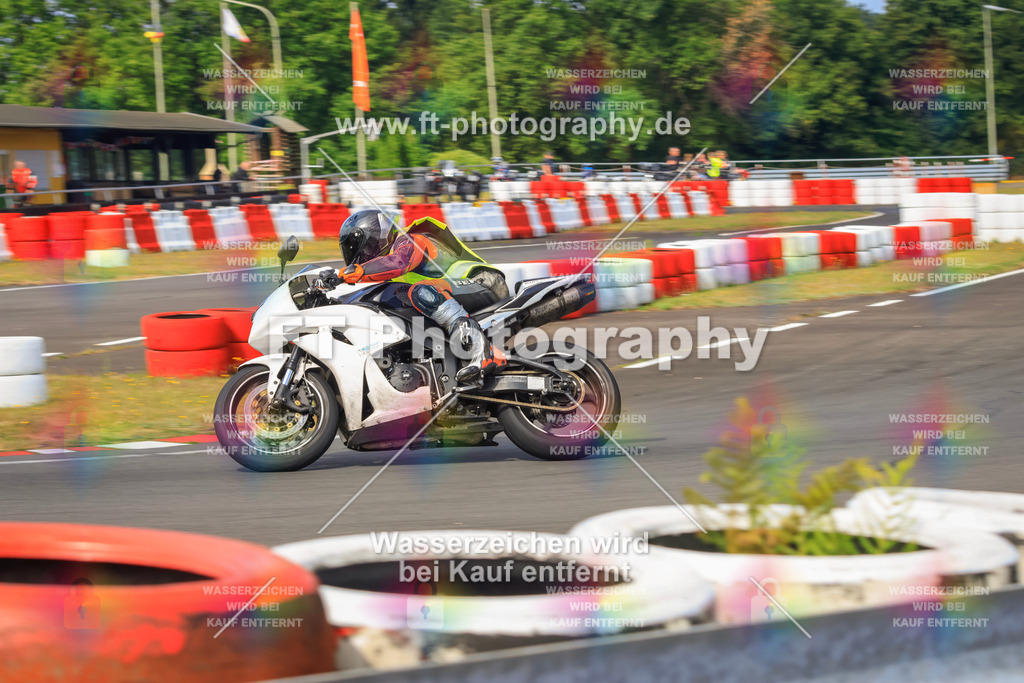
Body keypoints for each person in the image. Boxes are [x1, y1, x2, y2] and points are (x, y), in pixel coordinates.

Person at [323, 210, 509, 386]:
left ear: (372, 239)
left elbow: (399, 262)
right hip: (456, 296)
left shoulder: (409, 241)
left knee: (422, 292)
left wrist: (349, 273)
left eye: (355, 247)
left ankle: (480, 349)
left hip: (482, 282)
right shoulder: (390, 269)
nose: (355, 254)